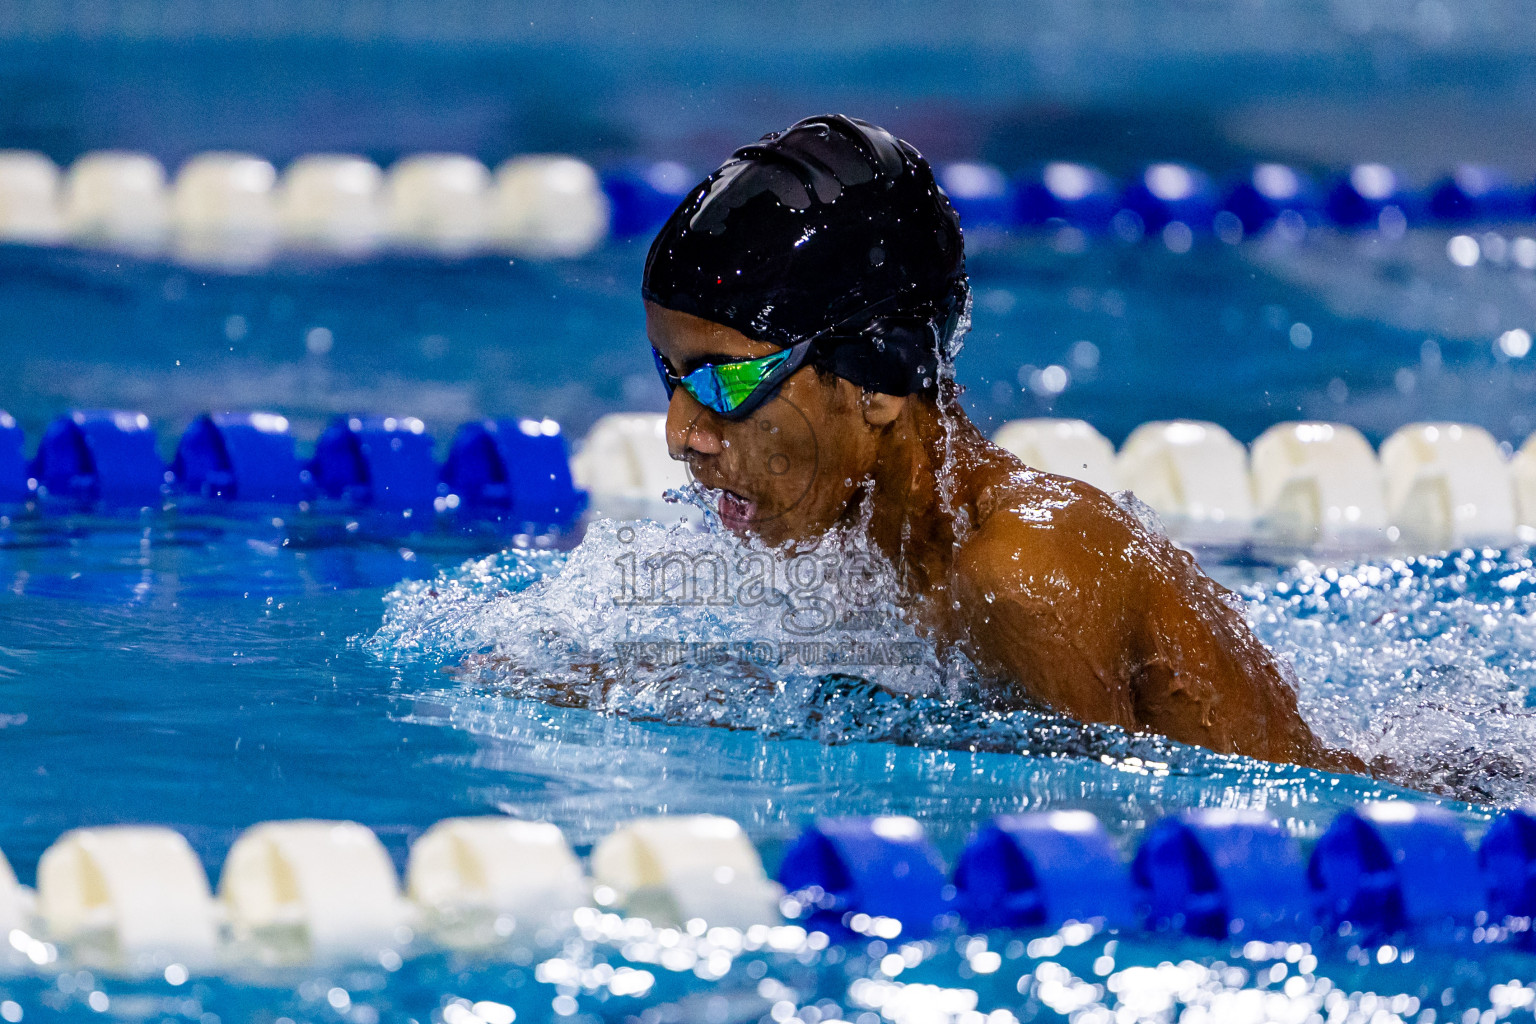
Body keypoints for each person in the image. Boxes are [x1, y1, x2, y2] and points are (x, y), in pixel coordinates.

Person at [641, 113, 1364, 774]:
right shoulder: (876, 542)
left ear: (882, 379)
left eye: (726, 382)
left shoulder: (1020, 577)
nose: (681, 435)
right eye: (670, 374)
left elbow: (1110, 842)